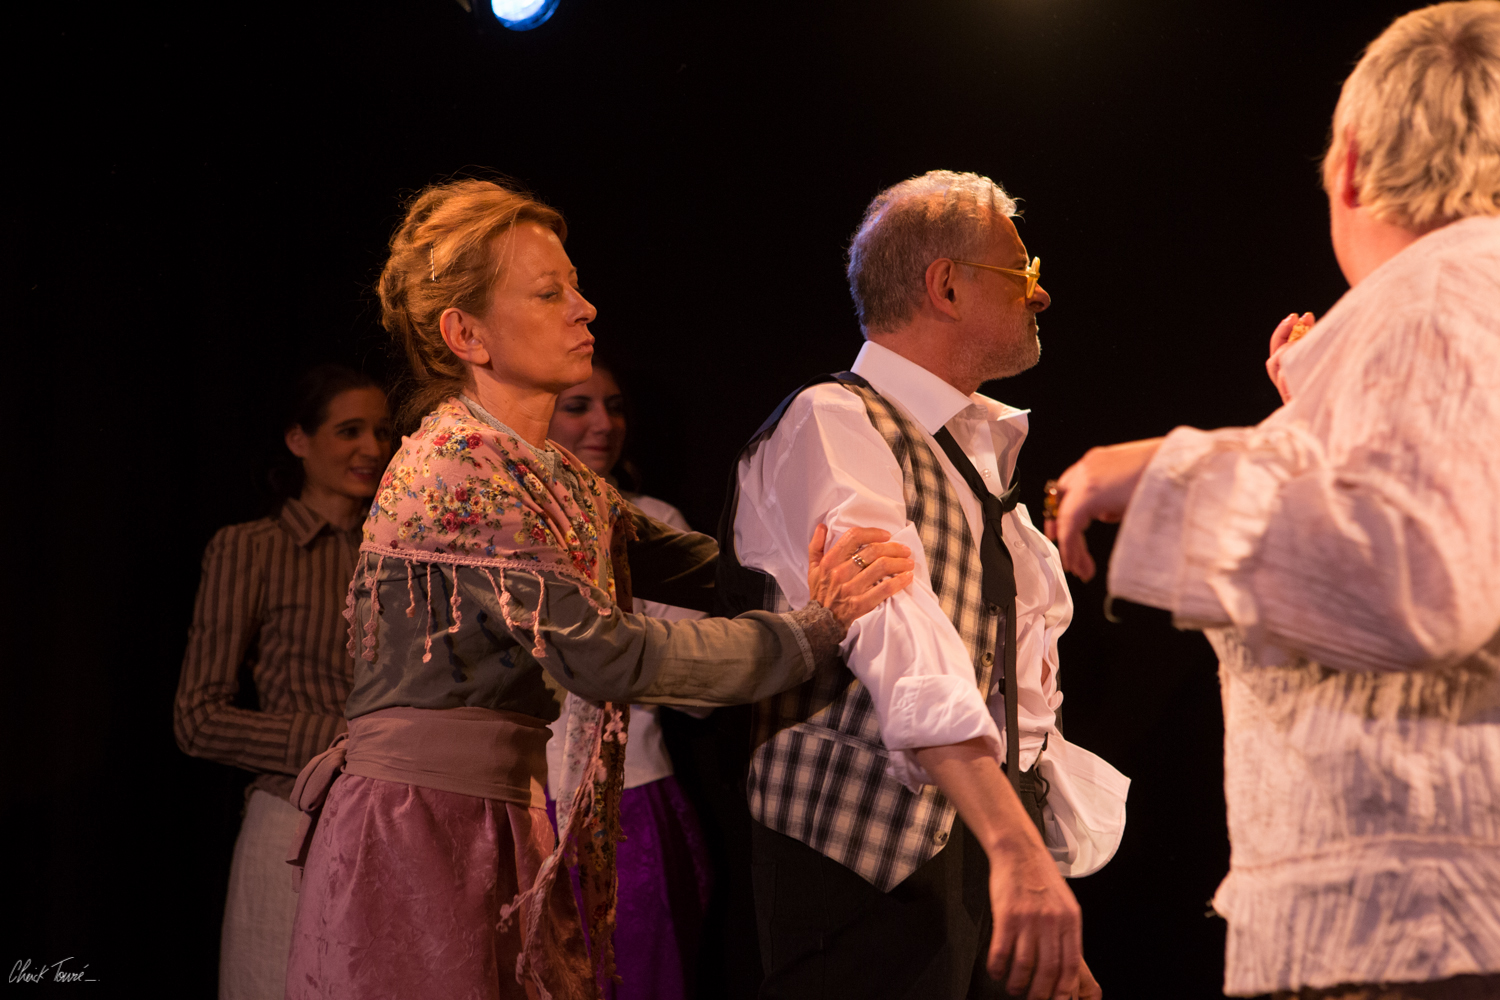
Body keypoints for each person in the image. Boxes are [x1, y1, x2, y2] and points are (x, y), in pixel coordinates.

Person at [282, 178, 917, 1000]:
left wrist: (833, 556)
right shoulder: (457, 466)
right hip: (420, 829)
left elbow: (704, 567)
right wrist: (810, 630)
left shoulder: (543, 470)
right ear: (465, 334)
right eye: (549, 293)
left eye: (574, 286)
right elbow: (611, 655)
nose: (584, 309)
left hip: (497, 817)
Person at [1046, 4, 1500, 997]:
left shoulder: (1436, 294)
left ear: (1351, 164)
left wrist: (1167, 469)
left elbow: (1418, 578)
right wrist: (1312, 421)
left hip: (1413, 937)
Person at [721, 170, 1127, 1000]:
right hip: (867, 875)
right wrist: (1017, 854)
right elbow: (904, 643)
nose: (1040, 293)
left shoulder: (972, 447)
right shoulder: (833, 422)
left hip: (982, 858)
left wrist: (1030, 869)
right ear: (946, 285)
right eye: (1021, 270)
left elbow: (1014, 688)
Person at [174, 364, 393, 1000]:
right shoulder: (252, 549)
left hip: (390, 819)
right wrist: (333, 742)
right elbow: (197, 719)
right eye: (349, 431)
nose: (372, 449)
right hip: (291, 818)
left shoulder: (403, 555)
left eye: (382, 432)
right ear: (298, 439)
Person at [545, 361, 714, 1000]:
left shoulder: (653, 521)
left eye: (614, 406)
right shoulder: (502, 525)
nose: (604, 424)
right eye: (578, 407)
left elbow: (699, 683)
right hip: (523, 799)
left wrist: (612, 656)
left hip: (630, 796)